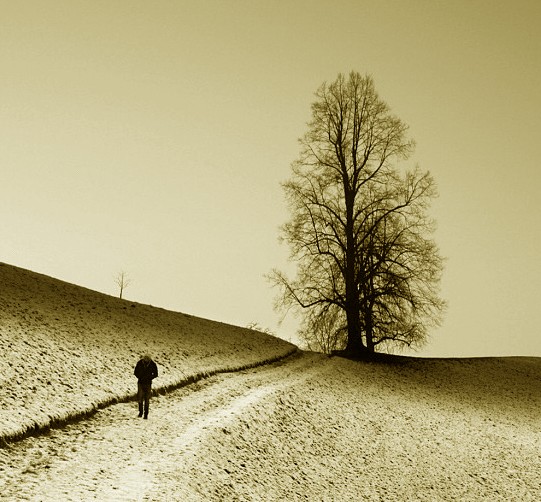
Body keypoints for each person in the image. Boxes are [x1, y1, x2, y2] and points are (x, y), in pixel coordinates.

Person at [134, 354, 158, 419]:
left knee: (146, 399)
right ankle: (141, 412)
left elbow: (156, 374)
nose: (146, 360)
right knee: (141, 398)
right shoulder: (140, 363)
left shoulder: (152, 364)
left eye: (147, 359)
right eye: (145, 359)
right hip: (141, 383)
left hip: (147, 383)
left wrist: (149, 378)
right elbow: (135, 372)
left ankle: (145, 413)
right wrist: (141, 377)